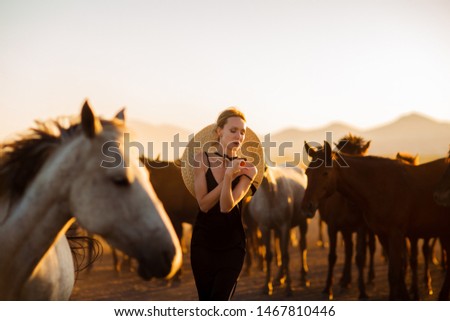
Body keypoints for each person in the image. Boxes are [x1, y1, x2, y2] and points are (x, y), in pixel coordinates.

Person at [181, 107, 263, 300]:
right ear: (219, 131)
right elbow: (204, 204)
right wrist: (229, 175)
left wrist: (228, 176)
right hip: (203, 243)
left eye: (242, 132)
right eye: (233, 130)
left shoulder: (249, 169)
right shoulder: (201, 159)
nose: (239, 136)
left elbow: (227, 207)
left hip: (232, 245)